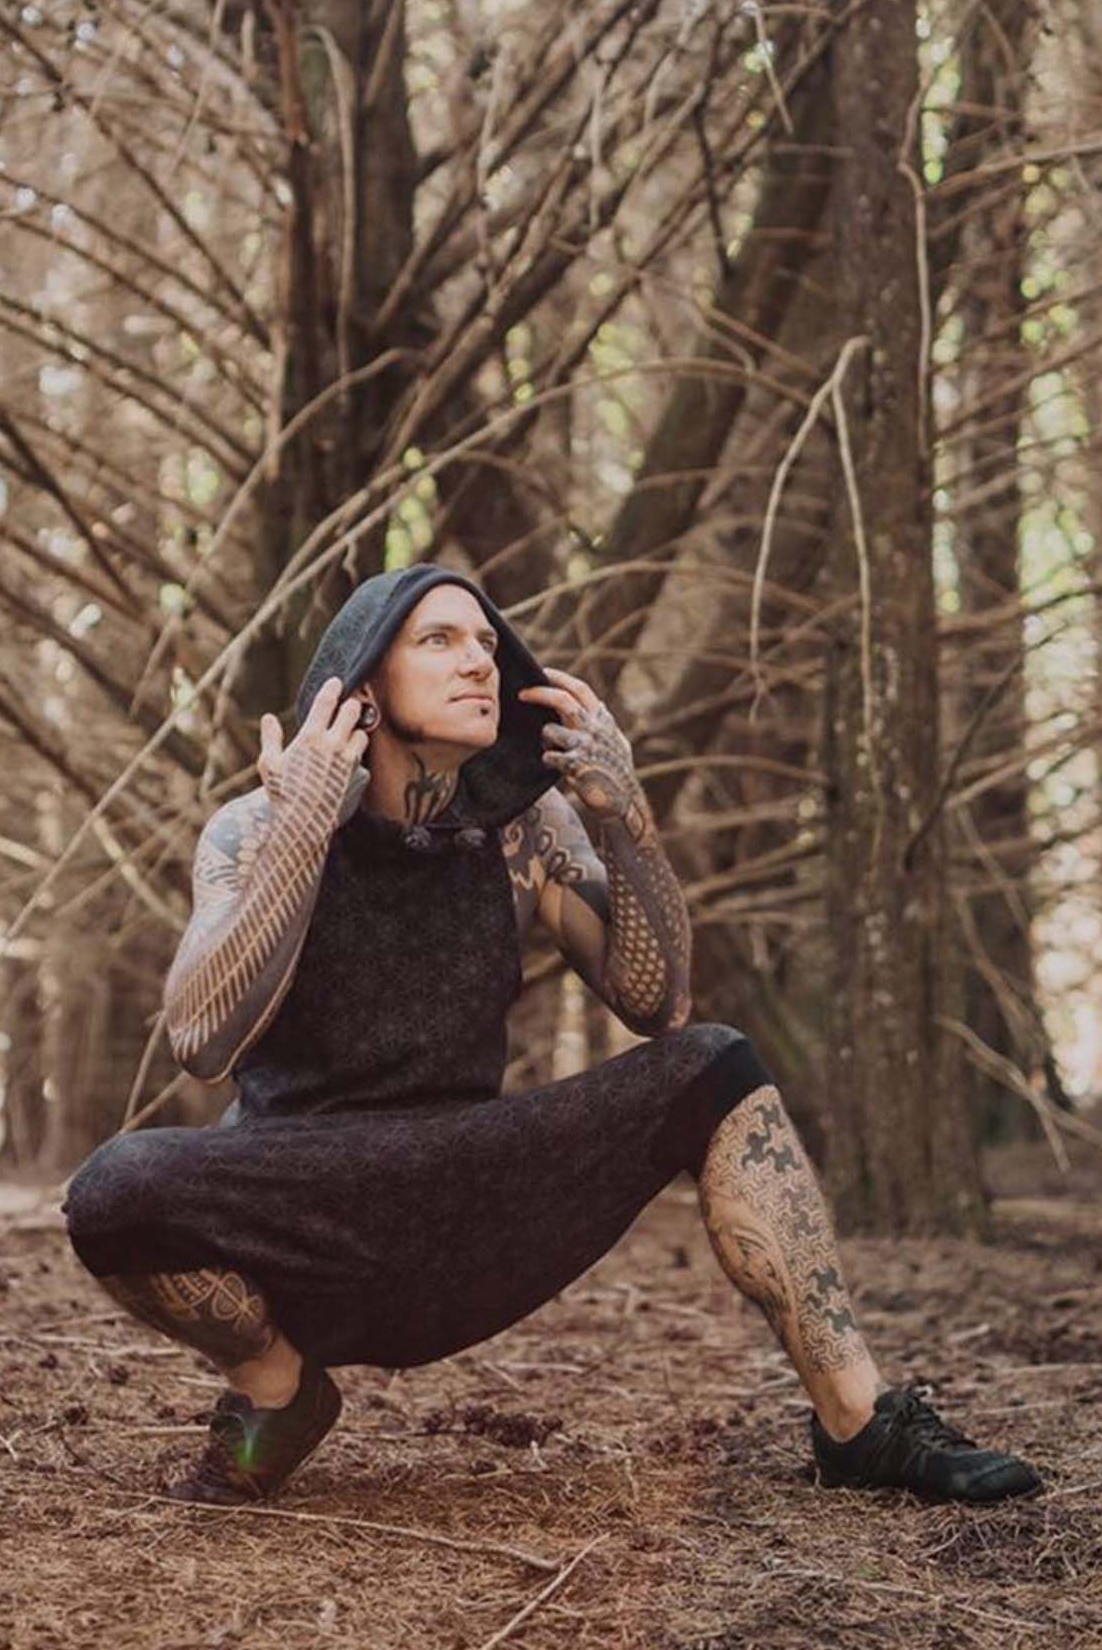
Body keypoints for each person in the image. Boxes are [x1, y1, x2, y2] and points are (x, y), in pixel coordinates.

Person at [65, 563, 1039, 1508]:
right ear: (361, 684)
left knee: (713, 1063)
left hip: (466, 1197)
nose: (477, 661)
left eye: (486, 644)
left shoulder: (525, 832)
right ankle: (278, 1390)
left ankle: (857, 1420)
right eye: (438, 640)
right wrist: (303, 831)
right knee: (115, 1187)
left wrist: (626, 822)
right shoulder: (251, 827)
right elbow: (201, 1039)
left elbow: (656, 1007)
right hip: (298, 1216)